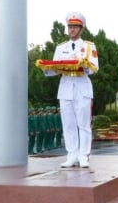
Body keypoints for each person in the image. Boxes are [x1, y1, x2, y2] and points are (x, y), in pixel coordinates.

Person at [39, 12, 99, 168]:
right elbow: (54, 69)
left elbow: (94, 68)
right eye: (70, 27)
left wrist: (84, 66)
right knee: (68, 124)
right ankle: (71, 154)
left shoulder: (88, 47)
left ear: (81, 29)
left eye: (75, 27)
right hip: (65, 88)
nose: (71, 30)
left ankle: (84, 155)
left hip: (81, 87)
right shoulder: (61, 48)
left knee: (84, 124)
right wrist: (45, 68)